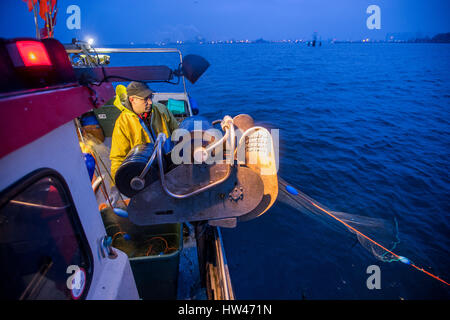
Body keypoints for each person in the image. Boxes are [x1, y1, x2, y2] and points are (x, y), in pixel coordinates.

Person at [110, 81, 179, 183]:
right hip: (147, 175)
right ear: (132, 99)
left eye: (150, 97)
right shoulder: (122, 123)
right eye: (145, 99)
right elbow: (118, 158)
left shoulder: (161, 109)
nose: (150, 102)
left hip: (171, 166)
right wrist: (117, 184)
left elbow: (178, 134)